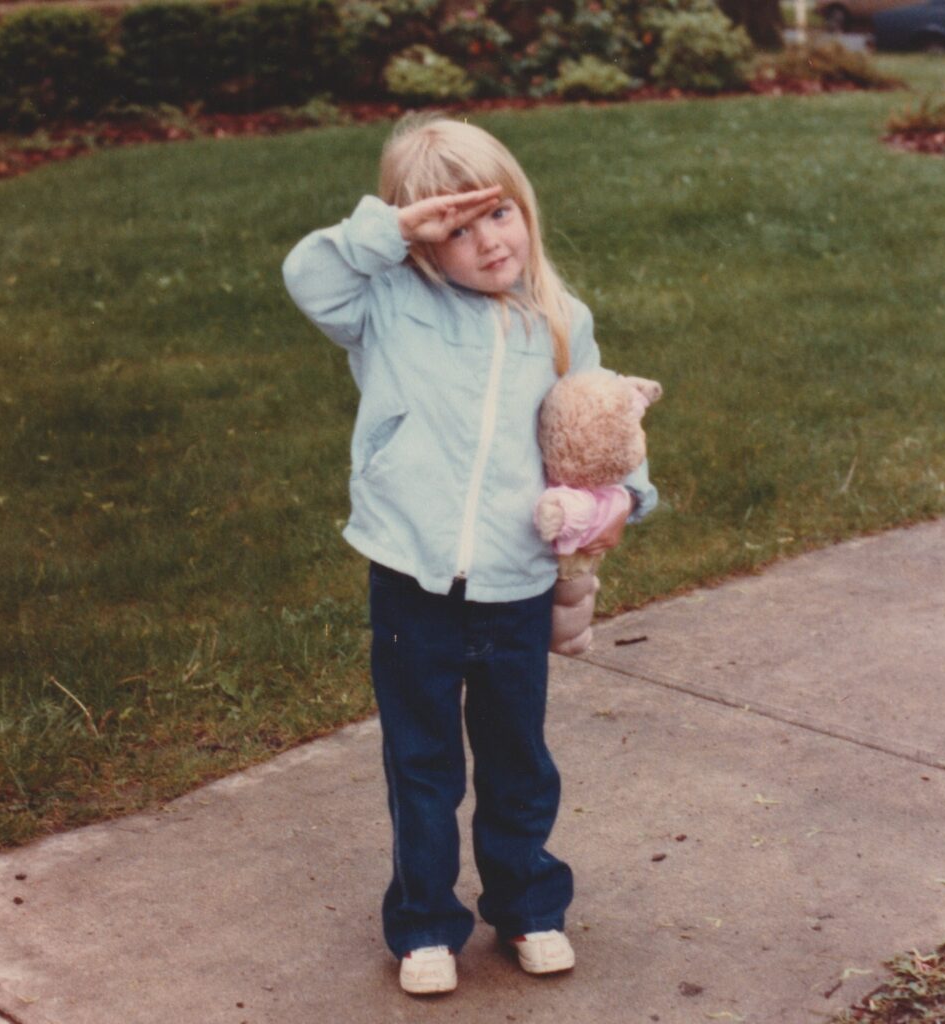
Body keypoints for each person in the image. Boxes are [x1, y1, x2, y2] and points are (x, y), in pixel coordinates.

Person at [282, 115, 657, 996]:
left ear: (523, 208)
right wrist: (393, 230)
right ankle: (423, 925)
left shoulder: (561, 320)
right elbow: (307, 272)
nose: (486, 241)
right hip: (411, 578)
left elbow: (604, 425)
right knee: (421, 764)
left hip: (514, 582)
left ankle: (528, 904)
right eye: (455, 228)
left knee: (516, 757)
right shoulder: (384, 305)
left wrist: (624, 501)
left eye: (497, 214)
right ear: (418, 244)